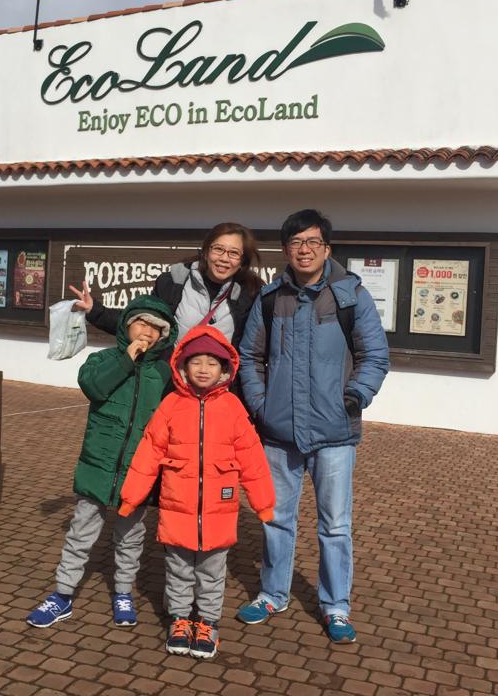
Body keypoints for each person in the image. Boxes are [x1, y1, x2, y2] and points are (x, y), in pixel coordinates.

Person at [236, 209, 390, 643]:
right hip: (279, 433)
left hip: (335, 434)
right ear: (285, 250)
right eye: (295, 243)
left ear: (327, 248)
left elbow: (375, 356)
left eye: (312, 242)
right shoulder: (271, 298)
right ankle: (272, 594)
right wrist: (262, 405)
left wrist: (355, 396)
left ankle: (335, 606)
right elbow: (250, 358)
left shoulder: (350, 296)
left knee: (335, 525)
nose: (304, 250)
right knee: (276, 518)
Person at [118, 325, 275, 659]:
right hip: (177, 509)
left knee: (211, 573)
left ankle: (207, 623)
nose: (204, 369)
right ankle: (178, 619)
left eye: (212, 363)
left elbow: (252, 458)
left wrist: (263, 504)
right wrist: (131, 497)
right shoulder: (171, 405)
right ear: (183, 366)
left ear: (224, 370)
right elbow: (148, 453)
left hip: (219, 513)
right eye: (197, 362)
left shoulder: (233, 408)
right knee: (177, 571)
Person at [25, 295, 177, 629]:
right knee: (81, 532)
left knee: (131, 536)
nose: (147, 333)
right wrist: (125, 360)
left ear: (164, 336)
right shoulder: (102, 359)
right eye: (142, 323)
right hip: (98, 466)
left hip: (138, 473)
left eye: (156, 328)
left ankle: (123, 591)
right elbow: (92, 386)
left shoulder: (164, 374)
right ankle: (62, 594)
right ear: (126, 324)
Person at [69, 223, 263, 345]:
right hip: (173, 385)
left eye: (233, 253)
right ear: (206, 251)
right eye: (218, 249)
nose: (224, 258)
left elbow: (256, 349)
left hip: (220, 392)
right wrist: (95, 310)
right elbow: (142, 320)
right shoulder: (174, 282)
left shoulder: (251, 294)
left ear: (242, 261)